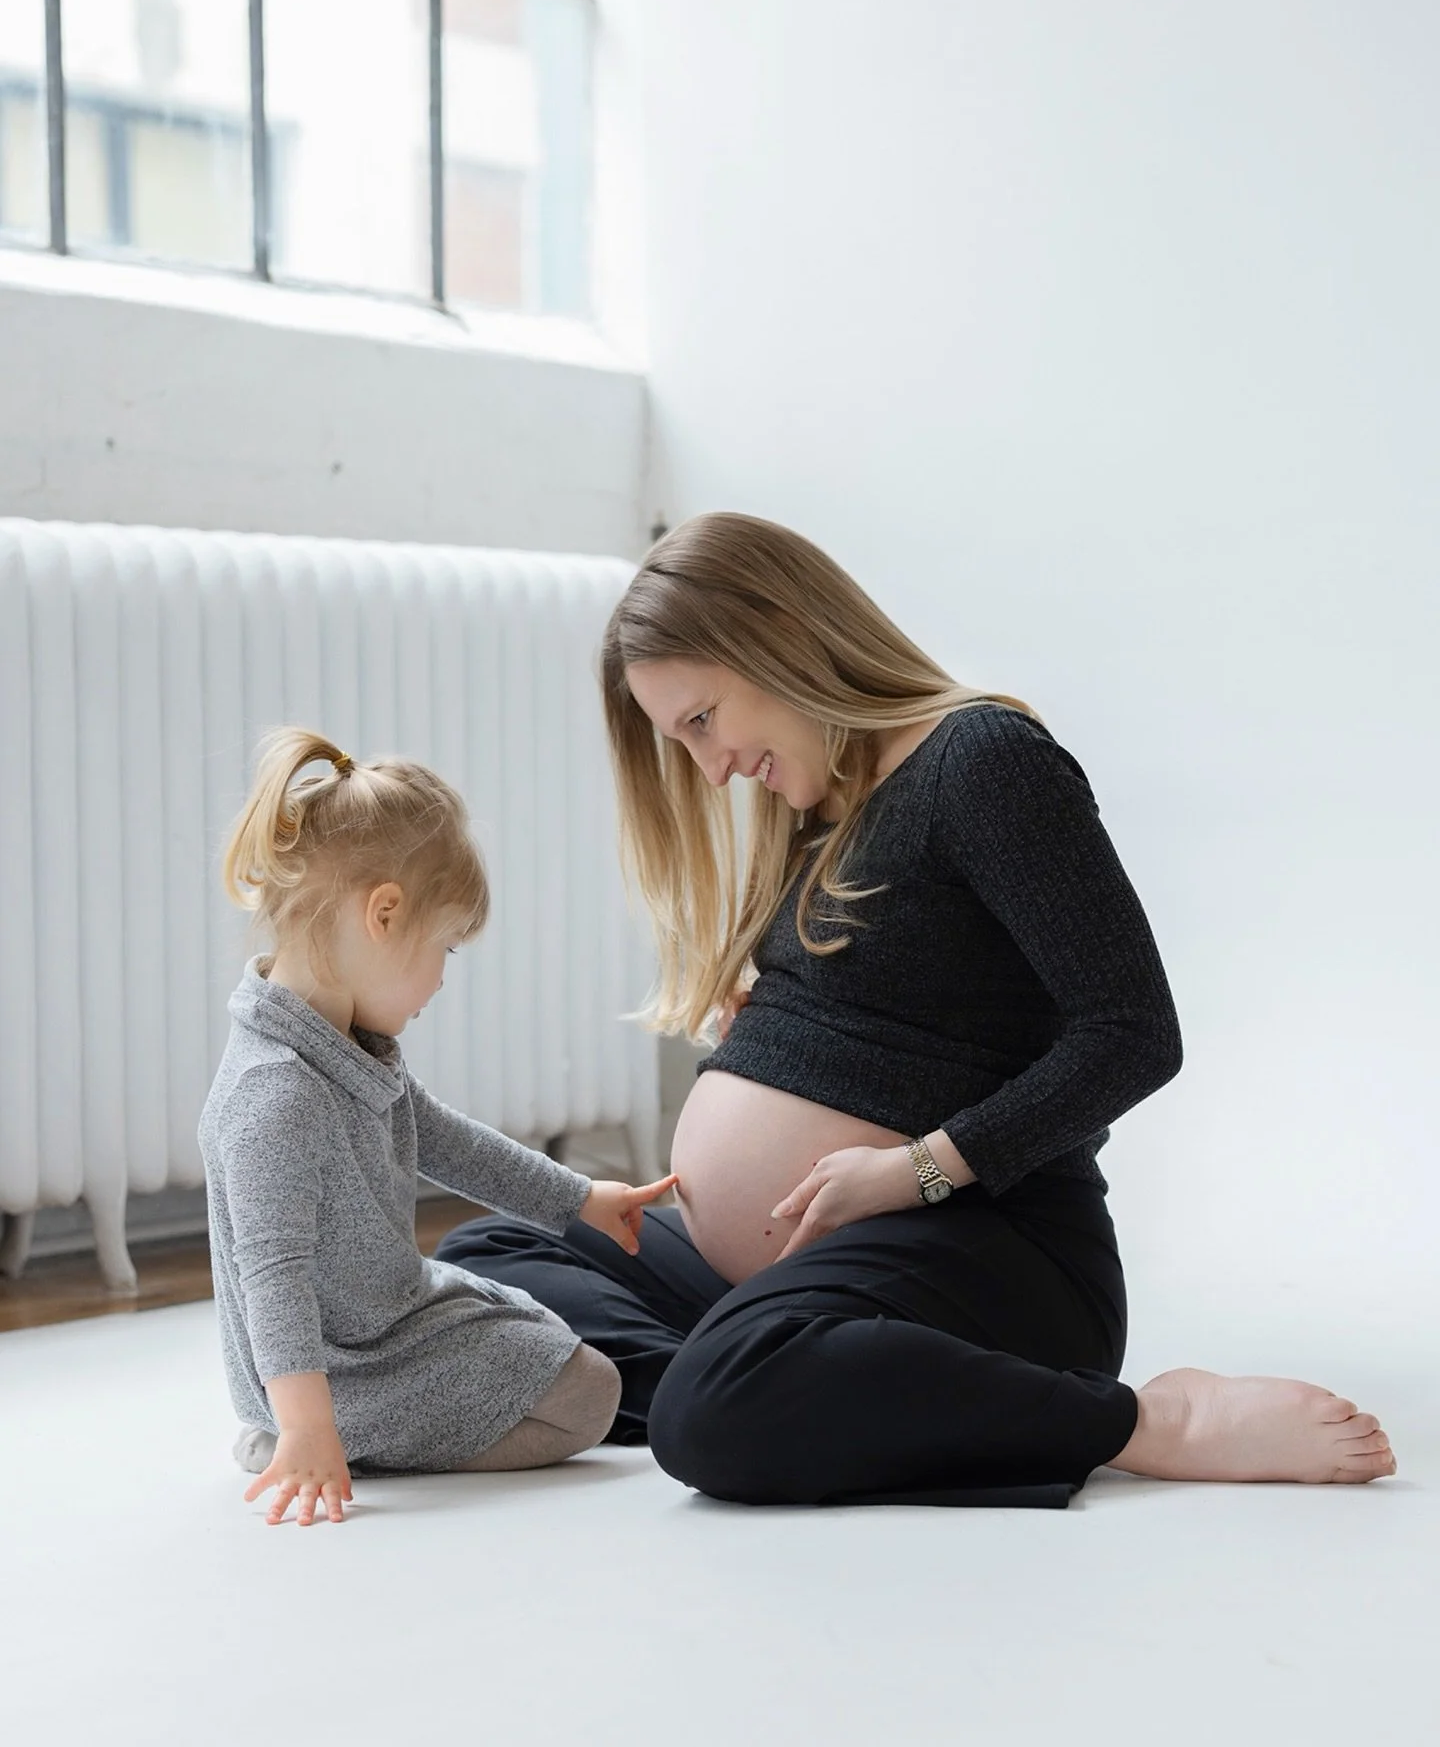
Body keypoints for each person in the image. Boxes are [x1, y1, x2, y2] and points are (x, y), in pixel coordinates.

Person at [437, 514, 1396, 1507]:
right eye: (683, 740)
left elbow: (1132, 1036)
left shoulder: (981, 760)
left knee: (708, 1413)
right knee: (488, 1253)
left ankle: (1146, 1423)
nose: (711, 768)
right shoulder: (816, 814)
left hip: (989, 1252)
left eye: (704, 720)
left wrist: (914, 1172)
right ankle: (805, 1377)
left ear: (779, 635)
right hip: (814, 1271)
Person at [201, 726, 677, 1527]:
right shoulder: (274, 1093)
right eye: (447, 947)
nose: (443, 979)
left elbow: (444, 1140)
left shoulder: (346, 1048)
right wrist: (308, 1425)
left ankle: (327, 1428)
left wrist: (577, 1198)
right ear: (384, 914)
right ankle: (306, 1441)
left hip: (388, 1316)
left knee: (552, 1340)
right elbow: (271, 1280)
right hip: (334, 1370)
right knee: (589, 1396)